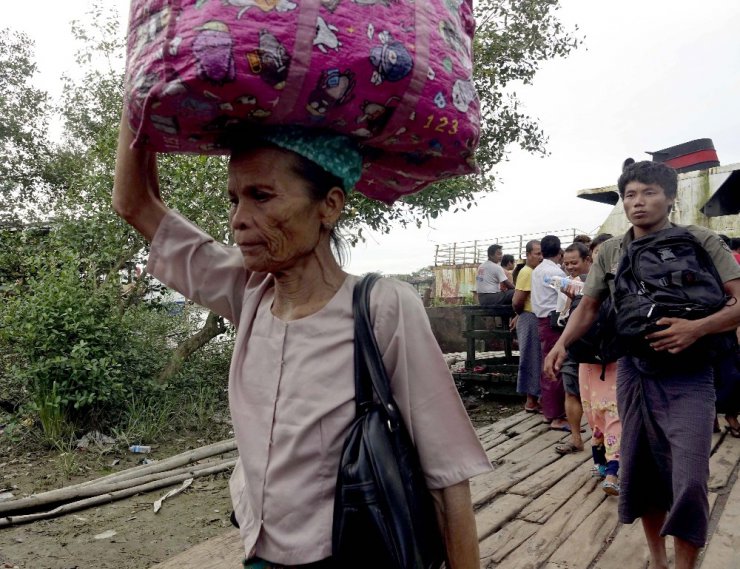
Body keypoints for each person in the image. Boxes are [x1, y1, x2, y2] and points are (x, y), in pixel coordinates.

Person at [112, 115, 492, 568]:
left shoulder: (381, 307)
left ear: (329, 206)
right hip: (259, 551)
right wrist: (140, 98)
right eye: (233, 199)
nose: (238, 220)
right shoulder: (247, 290)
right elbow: (134, 203)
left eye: (262, 196)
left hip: (353, 552)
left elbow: (447, 473)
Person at [544, 160, 740, 569]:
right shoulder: (612, 250)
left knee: (689, 477)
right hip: (635, 371)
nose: (638, 202)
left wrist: (697, 328)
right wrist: (562, 343)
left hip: (690, 373)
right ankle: (658, 562)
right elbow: (590, 305)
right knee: (643, 469)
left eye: (649, 192)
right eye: (630, 195)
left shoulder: (701, 241)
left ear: (670, 198)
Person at [575, 234, 622, 497]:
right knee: (593, 414)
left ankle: (613, 470)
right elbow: (563, 323)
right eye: (598, 252)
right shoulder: (578, 284)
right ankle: (601, 463)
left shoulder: (626, 280)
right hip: (589, 362)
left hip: (616, 360)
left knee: (614, 413)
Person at [554, 242, 592, 455]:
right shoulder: (569, 282)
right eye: (566, 263)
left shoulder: (599, 281)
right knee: (571, 391)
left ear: (588, 260)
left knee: (598, 398)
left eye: (574, 262)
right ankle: (576, 438)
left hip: (595, 347)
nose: (569, 266)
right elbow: (567, 313)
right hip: (572, 344)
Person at [531, 235, 568, 430]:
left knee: (548, 364)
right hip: (554, 321)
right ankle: (556, 416)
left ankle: (549, 412)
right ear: (560, 251)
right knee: (556, 366)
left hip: (542, 319)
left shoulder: (537, 270)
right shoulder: (556, 272)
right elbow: (567, 296)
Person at [512, 240, 543, 413]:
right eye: (537, 253)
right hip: (529, 317)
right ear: (528, 255)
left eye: (541, 253)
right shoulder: (527, 272)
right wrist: (520, 314)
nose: (540, 257)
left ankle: (535, 398)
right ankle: (530, 400)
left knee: (536, 357)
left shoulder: (536, 272)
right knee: (530, 358)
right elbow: (517, 301)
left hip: (532, 316)